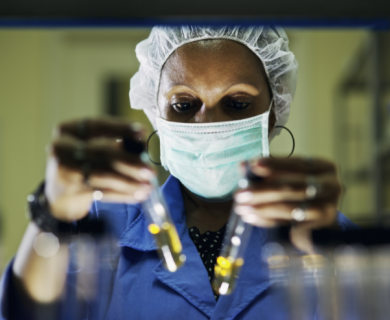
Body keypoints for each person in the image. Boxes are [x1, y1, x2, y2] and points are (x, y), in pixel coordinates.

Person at [0, 26, 357, 320]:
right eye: (184, 105)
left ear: (273, 113)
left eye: (237, 103)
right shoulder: (105, 222)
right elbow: (28, 312)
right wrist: (52, 211)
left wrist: (335, 254)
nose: (208, 123)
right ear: (157, 117)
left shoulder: (325, 233)